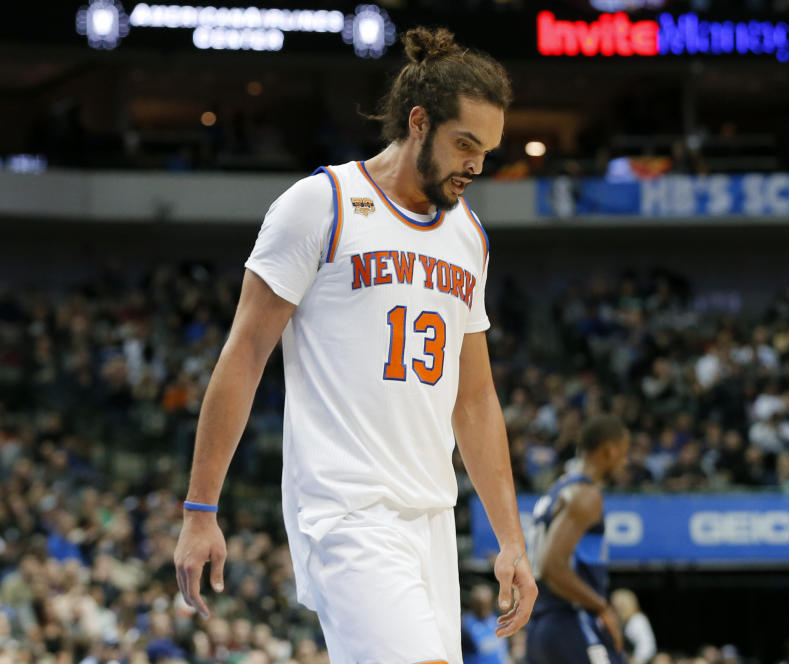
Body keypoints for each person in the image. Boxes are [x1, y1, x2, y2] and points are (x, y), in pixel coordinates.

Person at [173, 26, 536, 664]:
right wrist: (201, 505)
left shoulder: (469, 236)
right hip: (345, 509)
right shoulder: (323, 204)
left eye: (488, 151)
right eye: (465, 145)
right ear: (418, 122)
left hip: (429, 518)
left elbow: (475, 399)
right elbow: (245, 354)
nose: (477, 165)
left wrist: (511, 539)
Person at [525, 415, 631, 664]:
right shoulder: (586, 495)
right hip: (570, 620)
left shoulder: (558, 489)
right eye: (624, 452)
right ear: (609, 449)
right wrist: (602, 606)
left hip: (541, 625)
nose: (625, 461)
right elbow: (552, 565)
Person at [462, 584, 510, 664]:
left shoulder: (497, 620)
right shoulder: (465, 625)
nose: (483, 608)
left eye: (486, 603)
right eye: (479, 604)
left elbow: (504, 649)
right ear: (473, 604)